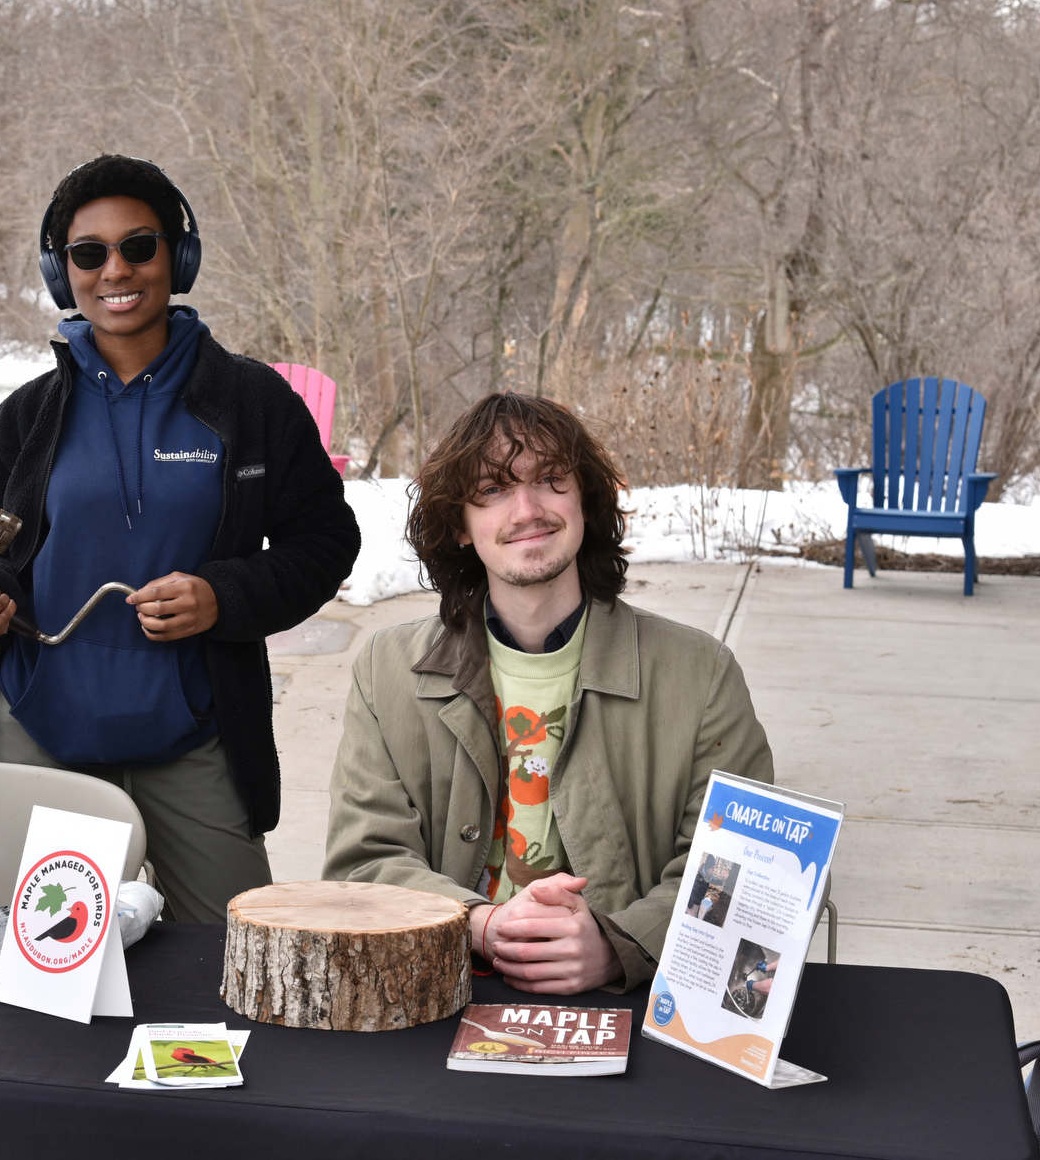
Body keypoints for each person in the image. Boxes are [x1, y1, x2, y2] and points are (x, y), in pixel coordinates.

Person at [0, 155, 360, 924]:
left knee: (243, 959)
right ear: (59, 269)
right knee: (53, 973)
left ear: (180, 256)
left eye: (140, 246)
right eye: (88, 253)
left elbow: (325, 541)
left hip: (198, 734)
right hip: (45, 733)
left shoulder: (251, 401)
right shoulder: (24, 416)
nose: (116, 270)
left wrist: (222, 597)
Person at [321, 392, 773, 992]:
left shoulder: (701, 671)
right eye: (493, 490)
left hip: (629, 995)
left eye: (552, 480)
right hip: (442, 981)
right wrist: (481, 925)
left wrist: (623, 946)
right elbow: (362, 861)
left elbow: (741, 867)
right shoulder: (388, 670)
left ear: (586, 500)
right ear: (459, 525)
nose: (527, 509)